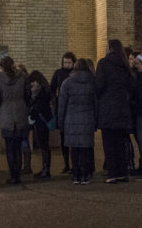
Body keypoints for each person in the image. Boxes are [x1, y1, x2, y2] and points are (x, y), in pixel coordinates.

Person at [94, 39, 134, 183]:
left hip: (108, 109)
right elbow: (131, 85)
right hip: (122, 109)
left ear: (110, 49)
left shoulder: (103, 64)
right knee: (120, 143)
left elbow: (99, 85)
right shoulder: (124, 65)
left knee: (109, 144)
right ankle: (123, 172)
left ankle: (113, 173)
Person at [58, 57, 97, 185]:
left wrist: (61, 122)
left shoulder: (67, 83)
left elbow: (62, 104)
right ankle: (85, 175)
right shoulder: (92, 82)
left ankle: (76, 174)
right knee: (85, 148)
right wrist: (96, 121)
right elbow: (96, 103)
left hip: (71, 119)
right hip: (87, 119)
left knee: (74, 148)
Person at [0, 56, 30, 185]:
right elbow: (28, 95)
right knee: (18, 147)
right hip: (20, 114)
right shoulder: (22, 77)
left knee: (10, 148)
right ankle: (18, 175)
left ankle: (12, 176)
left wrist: (0, 111)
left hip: (6, 115)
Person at [50, 52, 76, 174]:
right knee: (63, 139)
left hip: (71, 109)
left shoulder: (75, 74)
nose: (66, 65)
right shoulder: (58, 73)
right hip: (61, 109)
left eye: (69, 62)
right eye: (65, 62)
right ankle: (66, 164)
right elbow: (51, 88)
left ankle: (74, 164)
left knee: (73, 140)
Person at [27, 70, 54, 180]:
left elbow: (37, 108)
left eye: (33, 82)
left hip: (41, 121)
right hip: (44, 120)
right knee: (44, 145)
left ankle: (46, 169)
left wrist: (31, 116)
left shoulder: (41, 93)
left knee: (44, 145)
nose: (32, 85)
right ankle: (45, 169)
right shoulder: (45, 90)